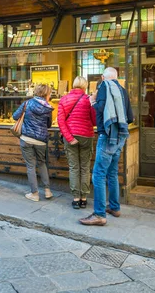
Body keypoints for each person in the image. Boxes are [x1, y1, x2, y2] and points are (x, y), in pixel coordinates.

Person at [80, 67, 133, 226]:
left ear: (103, 77)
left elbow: (101, 110)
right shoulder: (122, 90)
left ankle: (99, 214)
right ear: (117, 77)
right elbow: (129, 117)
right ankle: (115, 208)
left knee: (98, 174)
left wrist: (93, 102)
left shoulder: (104, 86)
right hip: (120, 137)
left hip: (108, 136)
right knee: (112, 172)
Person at [57, 76, 96, 209]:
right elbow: (95, 121)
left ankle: (75, 198)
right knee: (85, 168)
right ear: (85, 86)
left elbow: (60, 122)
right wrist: (93, 103)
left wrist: (69, 137)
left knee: (74, 168)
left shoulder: (64, 99)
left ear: (73, 85)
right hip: (86, 136)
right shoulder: (88, 100)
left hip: (71, 136)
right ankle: (84, 198)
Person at [12, 83, 54, 202]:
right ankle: (47, 191)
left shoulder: (27, 103)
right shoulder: (48, 107)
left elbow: (15, 116)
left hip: (26, 139)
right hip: (41, 140)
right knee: (42, 163)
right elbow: (49, 125)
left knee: (30, 166)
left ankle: (34, 194)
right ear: (46, 94)